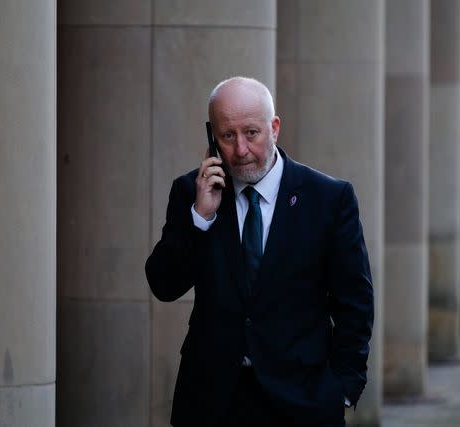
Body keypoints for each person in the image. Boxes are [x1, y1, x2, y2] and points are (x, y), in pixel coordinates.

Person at [145, 77, 374, 427]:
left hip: (302, 401)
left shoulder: (329, 198)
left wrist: (342, 390)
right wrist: (201, 217)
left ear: (274, 128)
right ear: (211, 136)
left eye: (251, 133)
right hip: (211, 402)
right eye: (227, 136)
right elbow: (163, 285)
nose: (240, 150)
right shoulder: (190, 193)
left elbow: (355, 303)